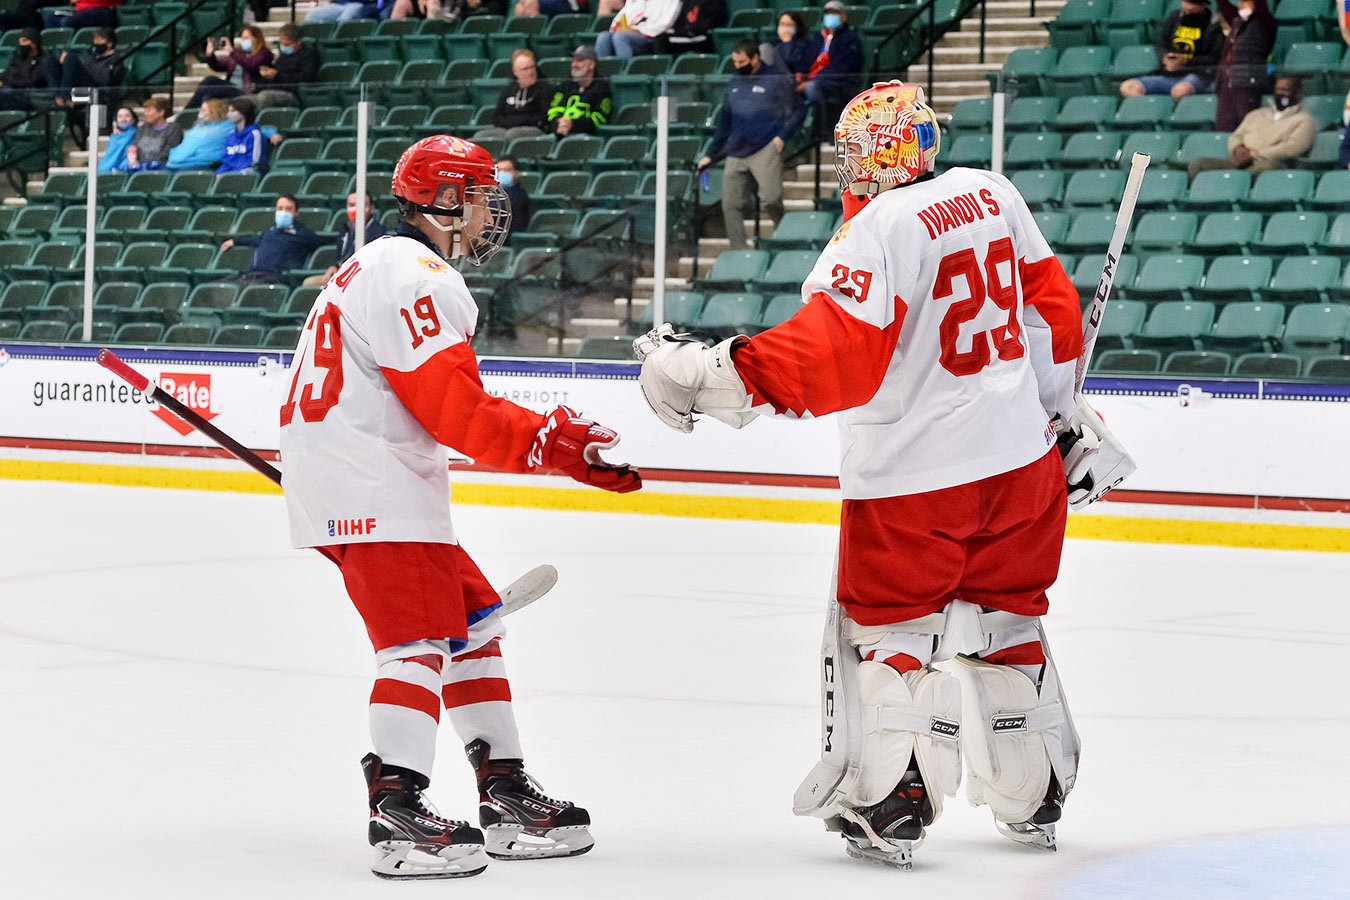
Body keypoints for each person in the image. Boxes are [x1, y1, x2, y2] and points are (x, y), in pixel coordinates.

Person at [634, 81, 1134, 869]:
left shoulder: (880, 230)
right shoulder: (991, 192)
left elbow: (831, 362)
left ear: (876, 154)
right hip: (1022, 470)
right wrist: (1057, 409)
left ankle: (892, 797)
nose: (844, 167)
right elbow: (1055, 312)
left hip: (914, 483)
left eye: (850, 151)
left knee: (892, 632)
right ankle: (1032, 790)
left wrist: (708, 369)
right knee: (1007, 625)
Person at [278, 134, 639, 879]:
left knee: (473, 623)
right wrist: (551, 443)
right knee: (415, 642)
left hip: (365, 476)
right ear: (444, 202)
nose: (488, 214)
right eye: (478, 198)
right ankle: (397, 810)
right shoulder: (415, 273)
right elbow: (456, 411)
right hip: (371, 484)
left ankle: (504, 790)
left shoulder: (374, 265)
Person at [697, 41, 805, 251]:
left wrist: (782, 137)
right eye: (735, 62)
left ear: (756, 58)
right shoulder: (734, 82)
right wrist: (711, 154)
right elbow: (724, 122)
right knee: (730, 204)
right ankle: (739, 252)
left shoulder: (776, 79)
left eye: (743, 61)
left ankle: (784, 235)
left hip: (765, 145)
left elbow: (798, 110)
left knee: (771, 199)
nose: (738, 65)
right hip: (736, 149)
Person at [1188, 75, 1316, 178]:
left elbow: (1293, 147)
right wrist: (1238, 148)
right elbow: (1236, 136)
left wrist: (1256, 154)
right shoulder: (1256, 114)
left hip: (1268, 162)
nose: (1280, 93)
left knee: (1264, 169)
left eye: (1285, 90)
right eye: (1278, 90)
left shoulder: (1304, 120)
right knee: (1199, 164)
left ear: (1297, 93)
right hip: (1239, 160)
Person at [1119, 0, 1222, 99]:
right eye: (1186, 2)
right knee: (1128, 87)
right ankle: (1152, 110)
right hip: (1168, 74)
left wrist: (1186, 61)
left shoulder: (1213, 23)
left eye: (1193, 3)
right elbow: (1160, 44)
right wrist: (1165, 58)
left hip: (1197, 75)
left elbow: (1215, 57)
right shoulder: (1175, 17)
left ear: (1203, 4)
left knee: (1180, 91)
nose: (1188, 8)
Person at [221, 195, 324, 284]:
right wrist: (234, 241)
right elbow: (256, 240)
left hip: (273, 279)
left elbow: (322, 247)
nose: (283, 212)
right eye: (280, 208)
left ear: (296, 213)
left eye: (288, 209)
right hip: (250, 276)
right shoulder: (271, 231)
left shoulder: (303, 233)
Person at [1213, 0, 1276, 130]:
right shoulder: (1238, 23)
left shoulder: (1264, 23)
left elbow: (1262, 13)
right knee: (1224, 126)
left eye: (1245, 1)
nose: (1240, 5)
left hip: (1248, 82)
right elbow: (1224, 6)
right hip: (1226, 81)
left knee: (1246, 126)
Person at [304, 192, 390, 286]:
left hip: (362, 279)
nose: (356, 209)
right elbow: (340, 258)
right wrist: (334, 266)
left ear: (371, 207)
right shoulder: (345, 230)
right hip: (341, 274)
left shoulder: (378, 232)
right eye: (351, 205)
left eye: (361, 204)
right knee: (309, 283)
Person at [798, 0, 863, 121]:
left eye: (834, 13)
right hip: (816, 79)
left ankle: (821, 133)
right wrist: (800, 74)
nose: (830, 16)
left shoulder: (850, 38)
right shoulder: (820, 37)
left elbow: (842, 67)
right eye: (827, 13)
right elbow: (807, 59)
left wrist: (813, 79)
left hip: (839, 83)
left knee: (812, 87)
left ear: (844, 16)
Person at [188, 25, 274, 109]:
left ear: (256, 39)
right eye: (242, 38)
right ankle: (188, 113)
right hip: (231, 86)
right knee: (209, 81)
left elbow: (251, 65)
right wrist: (211, 56)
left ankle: (188, 115)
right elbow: (219, 66)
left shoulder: (264, 54)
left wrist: (232, 52)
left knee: (210, 93)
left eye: (246, 38)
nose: (243, 41)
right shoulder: (239, 52)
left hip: (245, 90)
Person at [477, 49, 551, 138]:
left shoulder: (544, 88)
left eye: (532, 67)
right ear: (515, 72)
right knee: (480, 135)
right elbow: (496, 117)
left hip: (534, 129)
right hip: (508, 128)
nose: (530, 72)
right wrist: (512, 122)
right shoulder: (508, 89)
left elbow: (544, 116)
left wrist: (518, 121)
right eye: (525, 69)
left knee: (512, 134)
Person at [43, 26, 124, 107]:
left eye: (99, 39)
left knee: (70, 58)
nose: (95, 42)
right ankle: (60, 98)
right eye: (94, 39)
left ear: (109, 43)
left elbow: (104, 80)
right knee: (49, 61)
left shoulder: (116, 60)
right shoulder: (93, 57)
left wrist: (77, 67)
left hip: (97, 90)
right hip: (80, 87)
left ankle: (64, 98)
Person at [547, 45, 612, 136]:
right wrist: (559, 123)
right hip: (560, 132)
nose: (574, 64)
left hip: (587, 137)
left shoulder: (601, 88)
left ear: (592, 65)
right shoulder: (565, 85)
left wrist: (573, 124)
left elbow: (600, 118)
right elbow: (553, 110)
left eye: (580, 61)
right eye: (574, 60)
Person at [253, 23, 319, 109]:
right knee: (243, 101)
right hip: (272, 89)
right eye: (282, 44)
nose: (284, 47)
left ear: (298, 42)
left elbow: (304, 79)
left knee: (264, 97)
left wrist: (277, 75)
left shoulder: (308, 56)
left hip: (293, 94)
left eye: (287, 45)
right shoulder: (282, 57)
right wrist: (266, 75)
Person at [595, 0, 680, 58]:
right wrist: (620, 28)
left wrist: (640, 31)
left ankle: (625, 75)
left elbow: (665, 23)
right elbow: (621, 17)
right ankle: (602, 76)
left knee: (620, 38)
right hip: (633, 34)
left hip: (654, 37)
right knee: (604, 36)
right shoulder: (634, 1)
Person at [166, 98, 233, 169]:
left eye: (203, 110)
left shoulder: (227, 128)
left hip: (200, 165)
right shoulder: (197, 128)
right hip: (175, 164)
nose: (200, 112)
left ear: (215, 111)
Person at [122, 96, 183, 170]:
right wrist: (132, 151)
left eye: (149, 111)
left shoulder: (174, 129)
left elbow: (168, 153)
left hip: (161, 168)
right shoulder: (143, 128)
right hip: (140, 166)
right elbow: (135, 145)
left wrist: (149, 164)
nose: (145, 114)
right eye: (145, 111)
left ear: (161, 112)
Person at [652, 0, 727, 56]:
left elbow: (707, 26)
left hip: (702, 38)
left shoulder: (714, 2)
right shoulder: (689, 2)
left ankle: (664, 75)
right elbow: (681, 21)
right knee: (647, 45)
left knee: (660, 40)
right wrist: (675, 30)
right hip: (687, 34)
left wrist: (681, 31)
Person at [218, 96, 269, 174]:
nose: (229, 114)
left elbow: (254, 162)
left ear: (243, 112)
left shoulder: (255, 134)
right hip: (230, 173)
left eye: (233, 111)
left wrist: (236, 172)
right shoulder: (230, 135)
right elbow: (226, 158)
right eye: (229, 111)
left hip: (247, 173)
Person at [0, 28, 46, 110]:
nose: (20, 44)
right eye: (19, 41)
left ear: (34, 43)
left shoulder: (43, 61)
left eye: (24, 41)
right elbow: (6, 75)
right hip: (9, 93)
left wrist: (7, 81)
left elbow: (31, 81)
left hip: (27, 98)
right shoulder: (17, 59)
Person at [495, 154, 530, 233]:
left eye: (507, 170)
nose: (502, 173)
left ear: (517, 173)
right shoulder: (492, 192)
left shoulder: (519, 195)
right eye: (499, 170)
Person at [770, 10, 812, 76]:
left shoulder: (804, 44)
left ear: (797, 27)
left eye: (789, 25)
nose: (784, 27)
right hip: (774, 77)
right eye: (782, 24)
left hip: (791, 78)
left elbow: (792, 62)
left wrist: (788, 42)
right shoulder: (773, 42)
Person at [98, 105, 137, 172]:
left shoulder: (136, 134)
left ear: (133, 120)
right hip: (105, 167)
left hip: (124, 168)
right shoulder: (113, 137)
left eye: (127, 116)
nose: (123, 119)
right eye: (120, 116)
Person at [44, 0, 121, 30]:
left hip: (102, 10)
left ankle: (69, 51)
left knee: (67, 21)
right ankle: (57, 53)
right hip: (80, 11)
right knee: (52, 17)